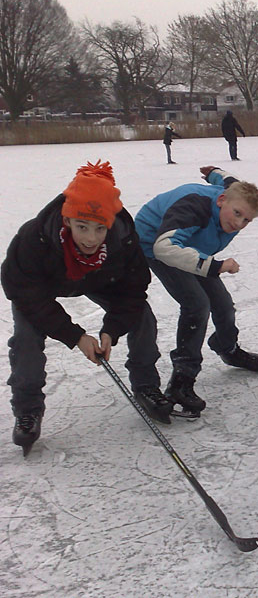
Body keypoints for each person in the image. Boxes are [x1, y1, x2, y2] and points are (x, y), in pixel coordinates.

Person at [1, 161, 169, 455]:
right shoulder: (34, 238)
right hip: (46, 286)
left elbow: (133, 292)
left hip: (100, 279)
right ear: (66, 221)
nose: (91, 239)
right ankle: (27, 409)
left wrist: (112, 329)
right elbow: (25, 293)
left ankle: (146, 385)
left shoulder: (124, 239)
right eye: (82, 227)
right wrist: (75, 336)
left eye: (99, 228)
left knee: (142, 317)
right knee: (27, 338)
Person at [134, 166, 258, 417]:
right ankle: (181, 381)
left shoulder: (232, 194)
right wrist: (216, 266)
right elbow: (165, 248)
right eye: (237, 214)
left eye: (247, 220)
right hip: (157, 244)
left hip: (191, 245)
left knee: (223, 304)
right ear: (221, 201)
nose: (238, 223)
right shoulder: (193, 209)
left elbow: (229, 181)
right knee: (196, 304)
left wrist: (214, 173)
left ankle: (227, 349)